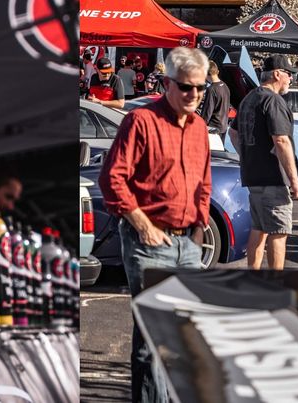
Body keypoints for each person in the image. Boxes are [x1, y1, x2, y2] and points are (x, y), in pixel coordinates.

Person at [98, 47, 211, 403]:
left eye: (200, 88)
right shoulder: (142, 122)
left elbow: (203, 182)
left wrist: (198, 228)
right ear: (167, 84)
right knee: (152, 340)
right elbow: (112, 179)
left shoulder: (199, 127)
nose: (193, 94)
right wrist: (142, 225)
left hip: (187, 245)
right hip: (149, 243)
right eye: (186, 87)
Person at [235, 54, 298, 271]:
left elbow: (233, 132)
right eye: (288, 75)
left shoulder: (249, 98)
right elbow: (281, 139)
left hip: (252, 175)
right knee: (279, 231)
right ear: (277, 74)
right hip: (273, 177)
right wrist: (295, 180)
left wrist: (248, 155)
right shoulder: (273, 100)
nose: (291, 79)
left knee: (259, 229)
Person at [198, 60, 231, 138]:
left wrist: (199, 126)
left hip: (213, 128)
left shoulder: (211, 89)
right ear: (217, 71)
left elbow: (207, 112)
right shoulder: (225, 86)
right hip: (223, 127)